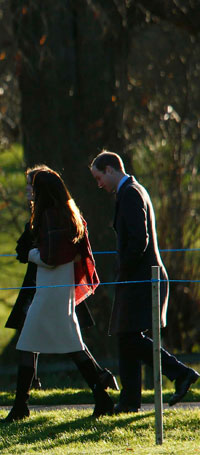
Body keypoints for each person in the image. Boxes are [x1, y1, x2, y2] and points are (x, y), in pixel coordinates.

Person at [90, 151, 199, 413]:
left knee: (129, 337)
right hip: (139, 277)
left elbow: (140, 239)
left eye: (98, 177)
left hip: (141, 278)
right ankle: (130, 401)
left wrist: (122, 267)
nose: (99, 184)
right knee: (126, 337)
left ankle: (180, 373)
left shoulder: (130, 194)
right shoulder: (134, 190)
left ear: (109, 169)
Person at [4, 166, 113, 422]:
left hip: (50, 290)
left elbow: (50, 258)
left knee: (33, 345)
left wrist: (30, 255)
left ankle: (22, 407)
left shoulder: (51, 216)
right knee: (62, 345)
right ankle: (101, 397)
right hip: (57, 288)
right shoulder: (66, 213)